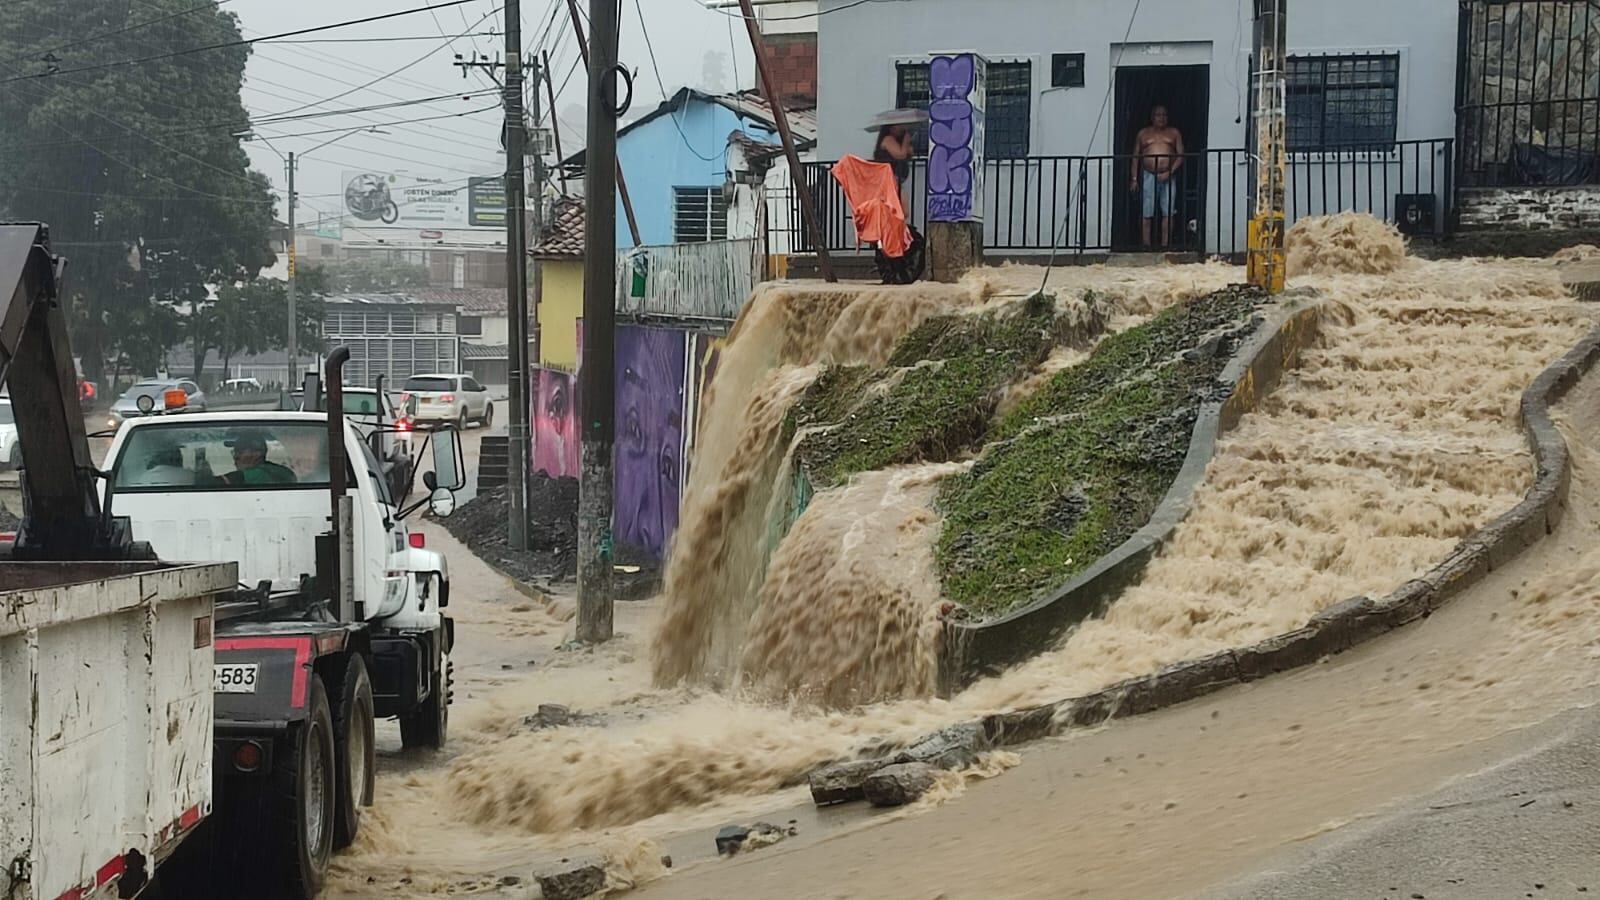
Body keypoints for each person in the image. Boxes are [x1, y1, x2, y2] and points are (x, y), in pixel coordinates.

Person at [1130, 105, 1185, 249]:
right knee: (1147, 211)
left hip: (1168, 175)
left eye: (1164, 115)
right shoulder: (1143, 134)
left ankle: (1165, 245)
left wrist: (1169, 172)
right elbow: (1136, 157)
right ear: (1152, 117)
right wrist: (1134, 178)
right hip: (1149, 174)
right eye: (1158, 115)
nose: (1161, 118)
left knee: (1168, 211)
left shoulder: (1174, 133)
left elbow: (1180, 156)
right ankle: (1146, 245)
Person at [222, 430, 296, 486]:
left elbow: (224, 480)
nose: (235, 457)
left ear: (256, 454)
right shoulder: (280, 471)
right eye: (234, 452)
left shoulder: (259, 475)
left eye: (239, 452)